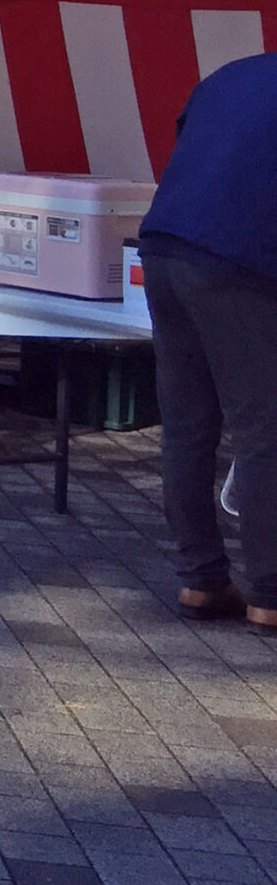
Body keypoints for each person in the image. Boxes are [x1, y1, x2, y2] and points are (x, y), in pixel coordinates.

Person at [136, 53, 277, 634]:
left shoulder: (236, 74)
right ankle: (270, 593)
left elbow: (190, 143)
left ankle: (200, 579)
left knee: (188, 424)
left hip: (165, 244)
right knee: (263, 430)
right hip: (237, 262)